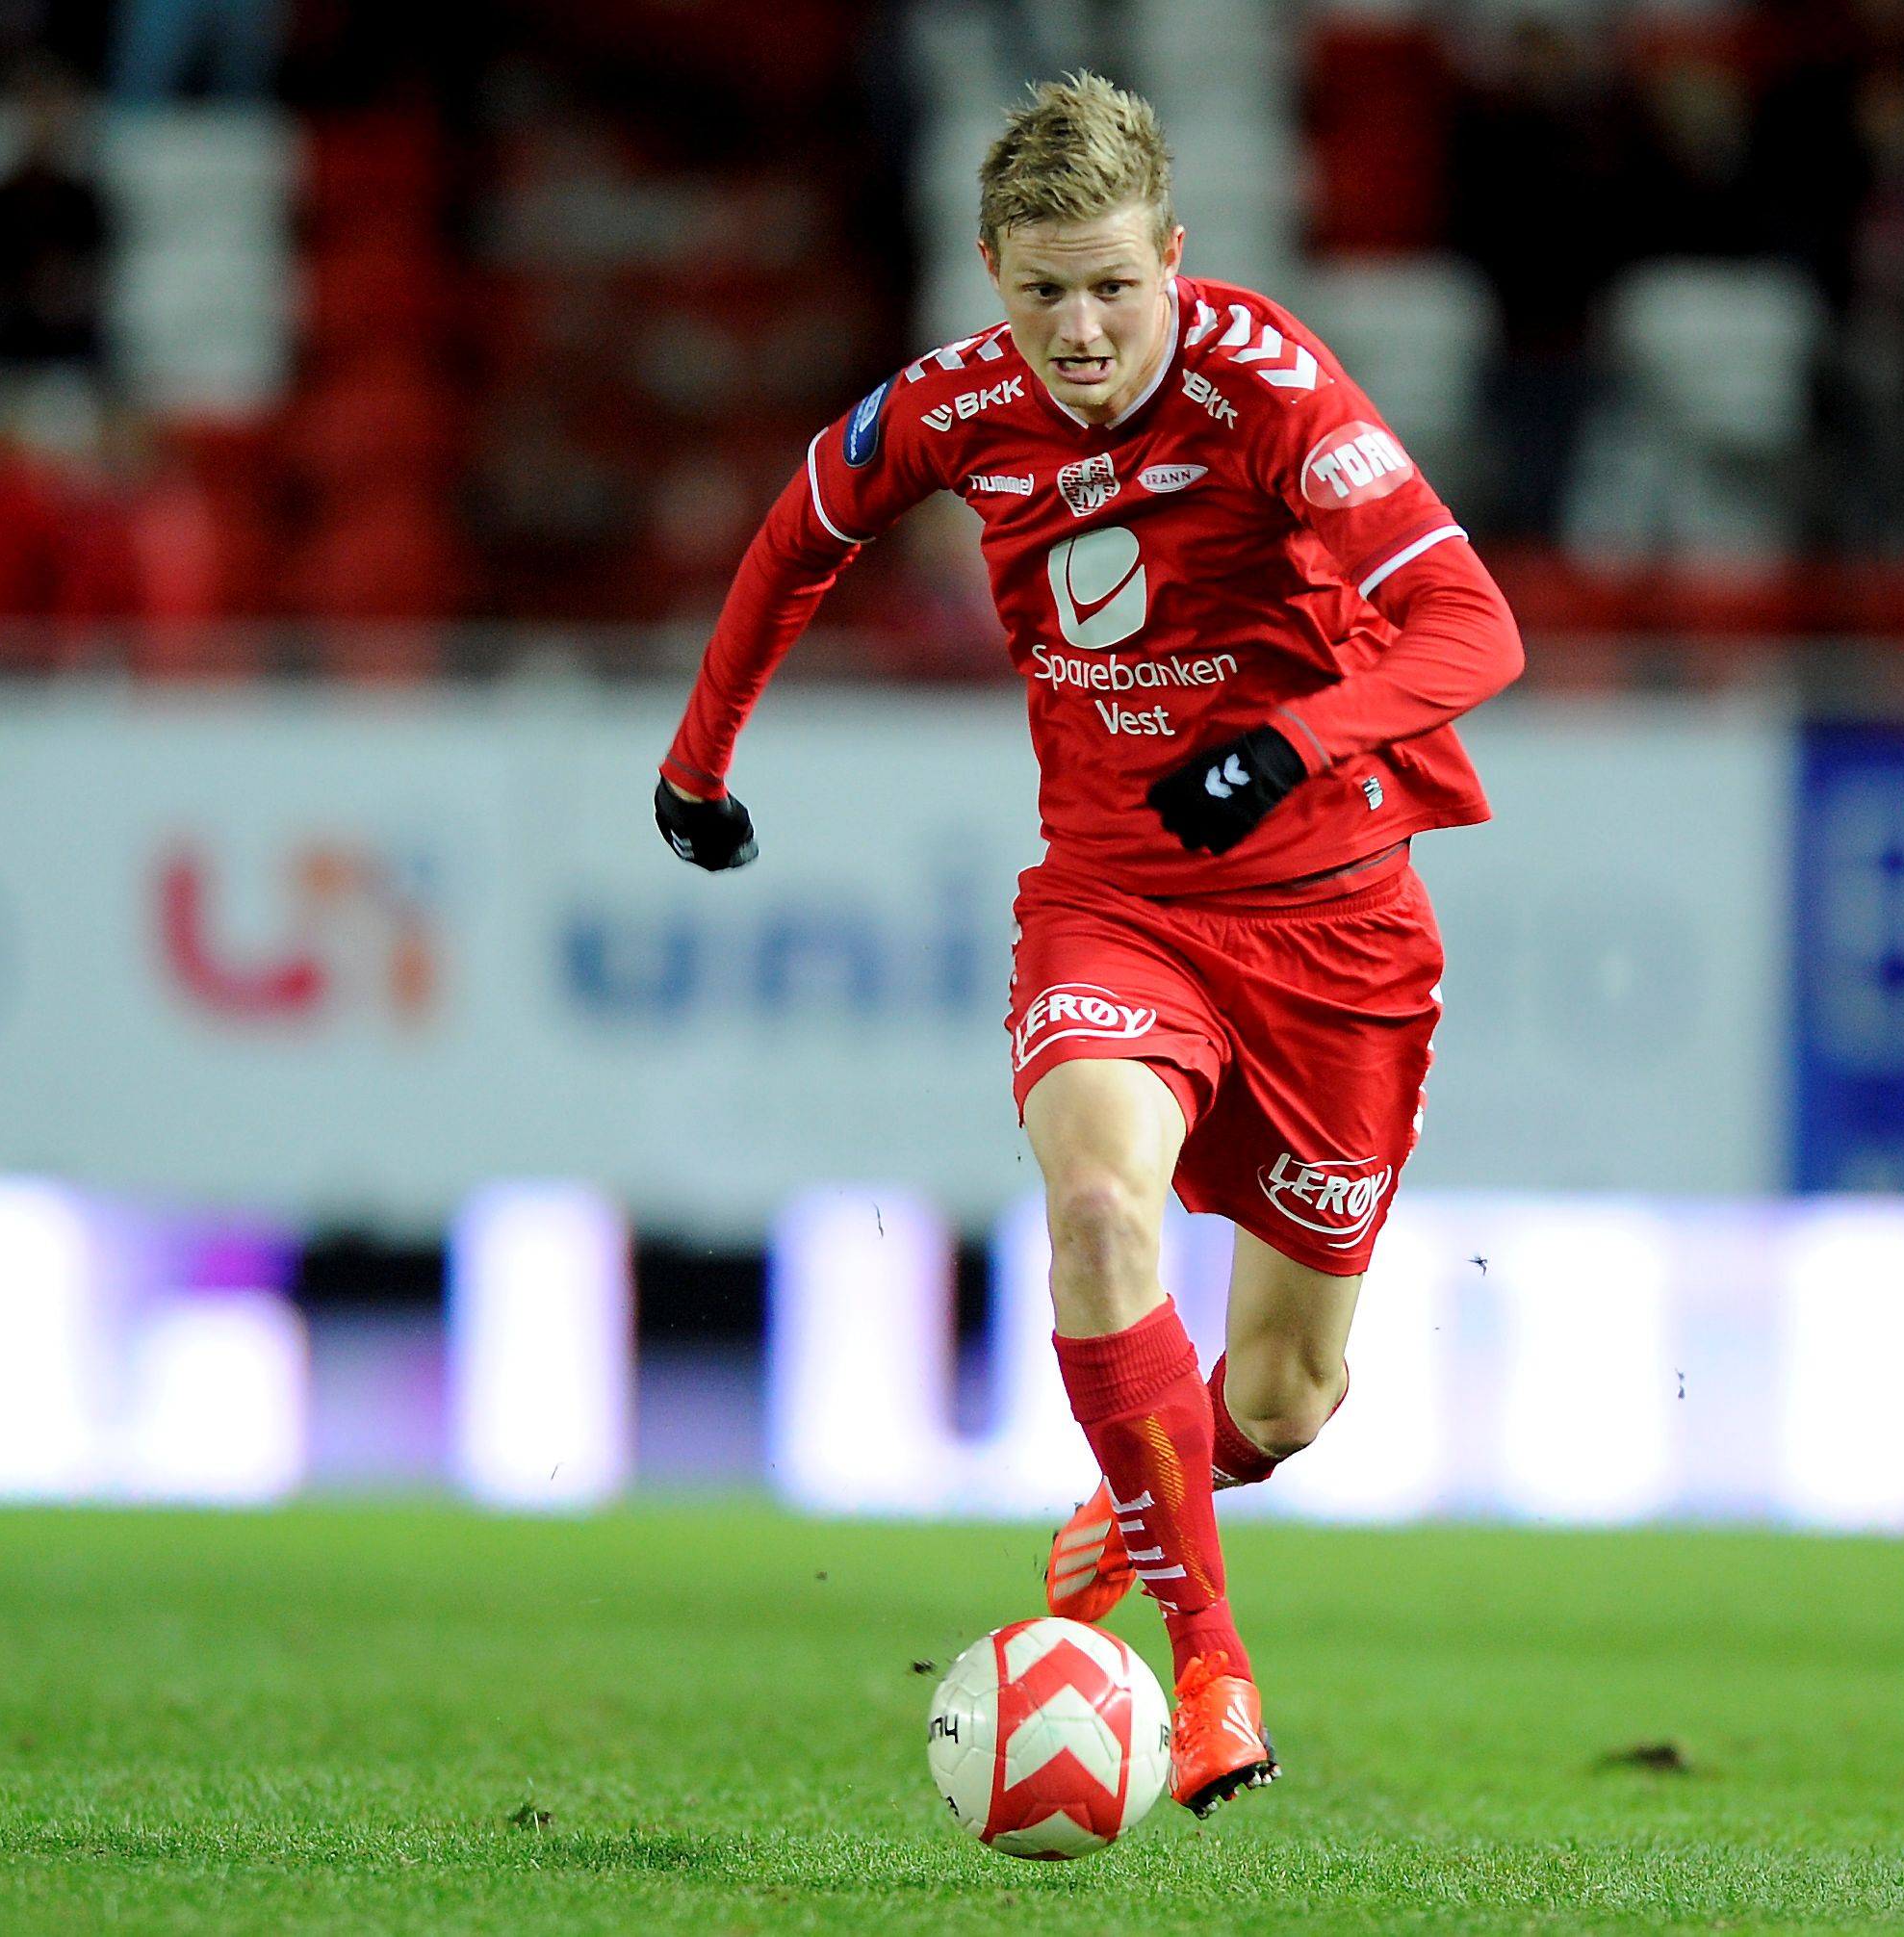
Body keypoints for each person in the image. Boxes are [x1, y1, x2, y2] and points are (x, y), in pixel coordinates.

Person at [652, 75, 1525, 1815]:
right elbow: (795, 537)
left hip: (1338, 929)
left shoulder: (1268, 384)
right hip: (1114, 907)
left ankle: (1147, 1501)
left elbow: (1470, 626)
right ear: (991, 274)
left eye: (1115, 286)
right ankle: (1211, 1670)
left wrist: (1290, 743)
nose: (1080, 330)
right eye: (1044, 290)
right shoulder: (957, 405)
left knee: (1284, 1396)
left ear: (1173, 261)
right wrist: (697, 763)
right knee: (1102, 1210)